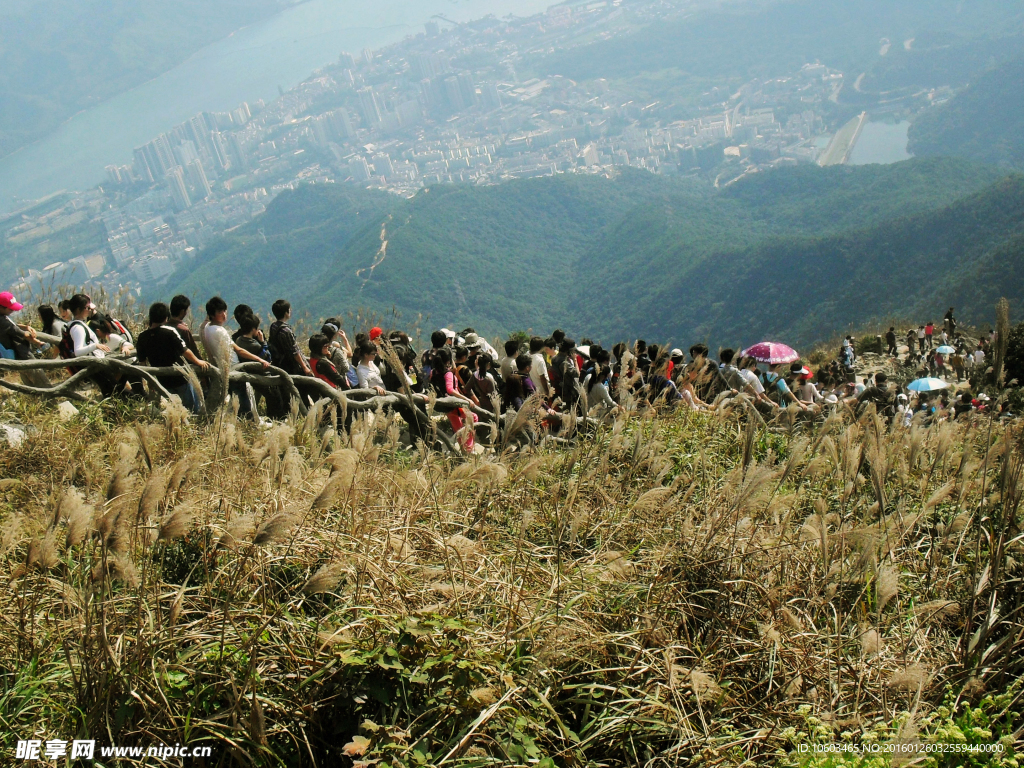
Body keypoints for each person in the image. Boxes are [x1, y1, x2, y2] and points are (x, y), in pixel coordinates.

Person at [201, 296, 270, 419]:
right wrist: (259, 359)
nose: (223, 314)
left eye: (224, 311)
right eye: (219, 312)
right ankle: (250, 422)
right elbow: (238, 349)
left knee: (235, 399)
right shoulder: (220, 331)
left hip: (223, 368)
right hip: (234, 367)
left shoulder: (207, 328)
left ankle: (240, 421)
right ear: (212, 314)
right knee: (244, 400)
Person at [135, 302, 209, 412]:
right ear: (166, 317)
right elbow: (184, 351)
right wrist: (198, 362)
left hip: (162, 380)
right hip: (180, 378)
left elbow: (142, 363)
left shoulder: (142, 337)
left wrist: (150, 381)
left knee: (173, 409)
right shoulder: (169, 331)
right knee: (192, 408)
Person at [431, 347, 478, 451]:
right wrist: (467, 400)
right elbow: (450, 390)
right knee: (473, 418)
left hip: (443, 405)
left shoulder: (433, 372)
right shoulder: (448, 374)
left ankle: (463, 447)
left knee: (457, 427)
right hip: (453, 404)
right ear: (448, 360)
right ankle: (469, 447)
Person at [268, 300, 311, 377]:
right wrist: (304, 367)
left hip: (280, 362)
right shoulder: (286, 331)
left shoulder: (273, 326)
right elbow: (294, 351)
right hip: (292, 365)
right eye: (289, 309)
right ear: (286, 313)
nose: (290, 311)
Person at [168, 295, 202, 359]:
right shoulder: (183, 330)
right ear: (182, 312)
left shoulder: (164, 326)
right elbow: (193, 351)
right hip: (183, 365)